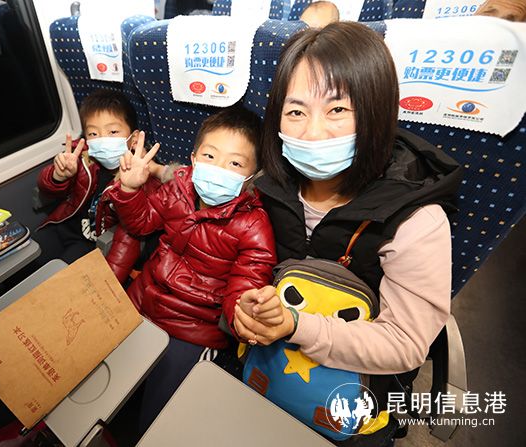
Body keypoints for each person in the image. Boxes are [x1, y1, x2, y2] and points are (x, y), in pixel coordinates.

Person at [231, 22, 462, 444]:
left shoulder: (416, 220)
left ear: (376, 114)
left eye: (337, 110)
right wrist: (242, 307)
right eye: (296, 112)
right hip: (260, 376)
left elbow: (404, 343)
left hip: (350, 405)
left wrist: (297, 326)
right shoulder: (265, 188)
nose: (313, 132)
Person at [107, 105, 277, 431]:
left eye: (235, 163)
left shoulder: (253, 225)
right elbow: (142, 224)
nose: (218, 169)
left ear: (251, 176)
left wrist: (244, 312)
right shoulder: (178, 188)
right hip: (141, 301)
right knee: (107, 383)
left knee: (159, 416)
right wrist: (128, 189)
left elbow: (245, 283)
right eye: (210, 156)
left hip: (194, 328)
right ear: (194, 159)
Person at [35, 89, 168, 276]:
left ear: (133, 139)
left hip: (93, 244)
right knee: (28, 258)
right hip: (64, 224)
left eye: (113, 132)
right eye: (93, 133)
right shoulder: (83, 159)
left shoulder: (140, 177)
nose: (103, 139)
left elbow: (128, 237)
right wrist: (59, 176)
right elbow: (47, 190)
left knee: (53, 278)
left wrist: (109, 280)